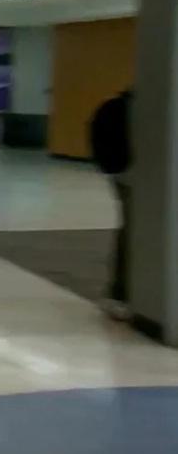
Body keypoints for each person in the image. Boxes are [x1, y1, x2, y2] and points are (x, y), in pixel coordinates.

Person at [90, 89, 133, 319]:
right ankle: (119, 293)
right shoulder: (122, 107)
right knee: (132, 232)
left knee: (131, 230)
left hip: (126, 175)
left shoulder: (117, 106)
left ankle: (120, 292)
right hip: (130, 177)